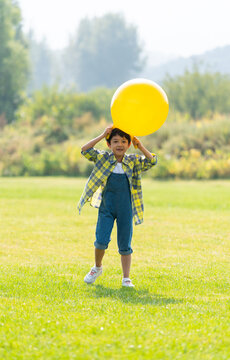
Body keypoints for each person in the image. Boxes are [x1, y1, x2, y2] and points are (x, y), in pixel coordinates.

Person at [78, 125, 157, 287]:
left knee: (125, 244)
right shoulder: (103, 158)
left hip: (126, 210)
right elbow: (85, 150)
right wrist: (102, 135)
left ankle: (126, 278)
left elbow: (152, 161)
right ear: (109, 145)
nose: (119, 144)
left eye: (123, 141)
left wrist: (140, 146)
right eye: (115, 141)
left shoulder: (133, 161)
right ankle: (97, 267)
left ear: (128, 144)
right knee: (100, 241)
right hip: (106, 208)